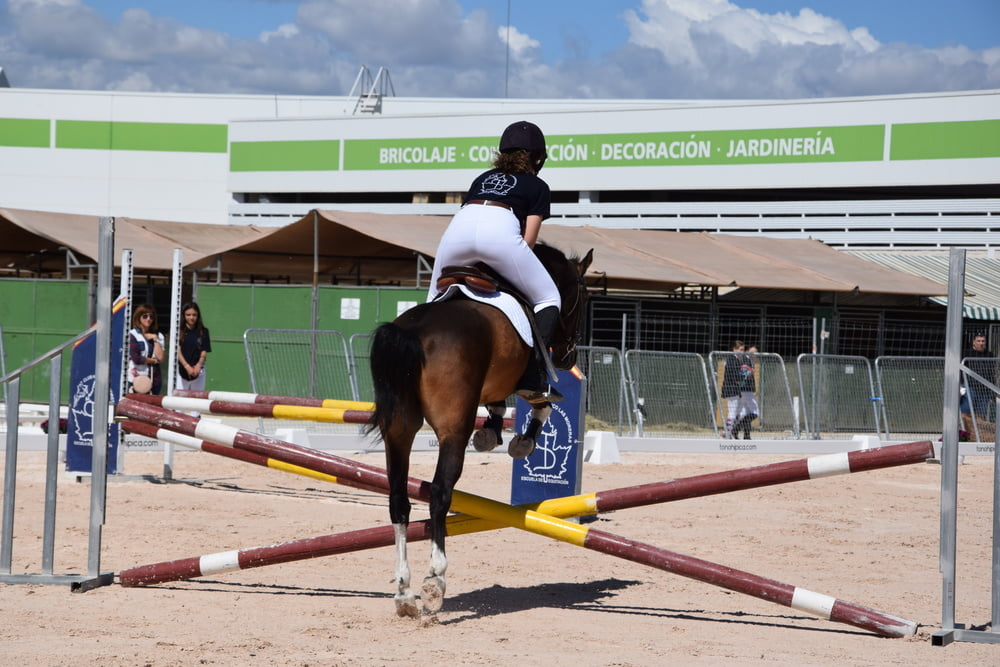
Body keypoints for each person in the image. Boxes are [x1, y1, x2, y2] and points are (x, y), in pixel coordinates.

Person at [427, 120, 561, 404]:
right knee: (550, 297)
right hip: (499, 233)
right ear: (537, 156)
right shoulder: (537, 186)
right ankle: (532, 377)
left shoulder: (482, 179)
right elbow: (529, 241)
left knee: (432, 299)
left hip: (456, 234)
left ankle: (418, 360)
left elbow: (472, 215)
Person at [960, 333, 997, 436]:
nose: (981, 343)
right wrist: (960, 386)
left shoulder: (989, 355)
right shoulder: (967, 354)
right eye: (979, 341)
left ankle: (977, 436)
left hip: (984, 390)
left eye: (983, 341)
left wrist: (992, 391)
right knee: (966, 414)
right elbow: (960, 370)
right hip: (970, 387)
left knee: (980, 416)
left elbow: (991, 373)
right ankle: (964, 434)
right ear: (973, 342)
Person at [127, 304, 165, 395]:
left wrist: (155, 339)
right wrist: (153, 361)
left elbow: (160, 358)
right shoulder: (132, 334)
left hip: (154, 379)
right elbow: (137, 358)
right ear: (139, 317)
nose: (148, 319)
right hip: (136, 379)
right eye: (145, 316)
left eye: (151, 317)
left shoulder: (159, 336)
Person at [721, 340, 755, 439]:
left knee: (743, 413)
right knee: (733, 411)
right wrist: (745, 373)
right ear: (734, 349)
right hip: (731, 390)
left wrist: (747, 373)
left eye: (743, 349)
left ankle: (729, 430)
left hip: (738, 390)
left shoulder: (742, 360)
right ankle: (727, 433)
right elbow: (734, 376)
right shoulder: (731, 360)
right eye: (740, 349)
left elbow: (741, 376)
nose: (742, 351)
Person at [176, 301, 212, 392]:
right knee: (180, 399)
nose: (191, 317)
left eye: (194, 315)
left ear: (198, 316)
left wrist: (198, 365)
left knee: (197, 399)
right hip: (182, 370)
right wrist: (187, 366)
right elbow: (178, 350)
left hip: (199, 370)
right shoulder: (178, 331)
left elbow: (204, 350)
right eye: (188, 315)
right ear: (184, 316)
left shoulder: (203, 331)